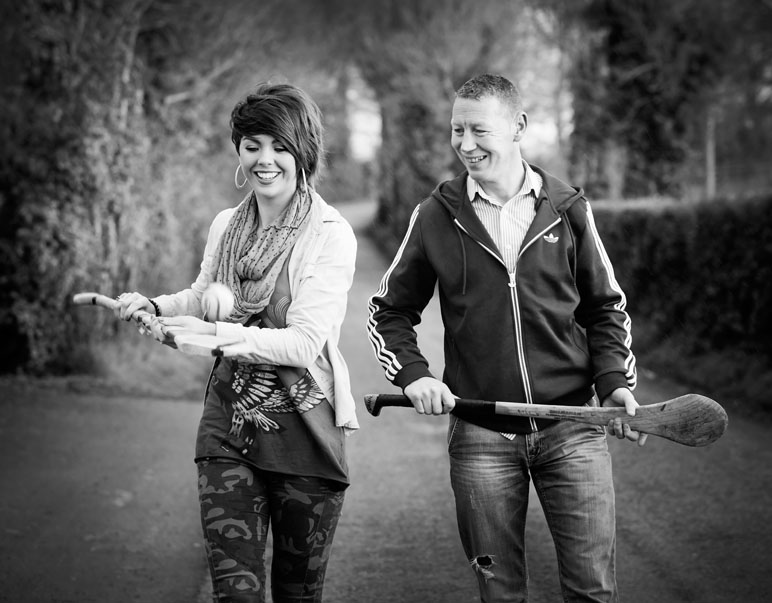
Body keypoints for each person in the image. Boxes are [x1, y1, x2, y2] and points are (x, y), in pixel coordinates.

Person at [366, 73, 646, 602]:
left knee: (593, 591)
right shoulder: (434, 217)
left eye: (478, 131)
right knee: (500, 594)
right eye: (456, 131)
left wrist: (614, 383)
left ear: (518, 126)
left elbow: (605, 306)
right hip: (481, 438)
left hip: (574, 427)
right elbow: (388, 312)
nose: (465, 146)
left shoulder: (567, 209)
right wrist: (415, 375)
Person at [115, 82, 358, 603]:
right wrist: (156, 306)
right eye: (252, 145)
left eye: (279, 146)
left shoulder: (330, 233)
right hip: (229, 428)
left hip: (306, 434)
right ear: (239, 151)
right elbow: (204, 296)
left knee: (298, 594)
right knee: (235, 593)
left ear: (304, 152)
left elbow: (302, 344)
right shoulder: (227, 224)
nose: (264, 159)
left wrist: (212, 335)